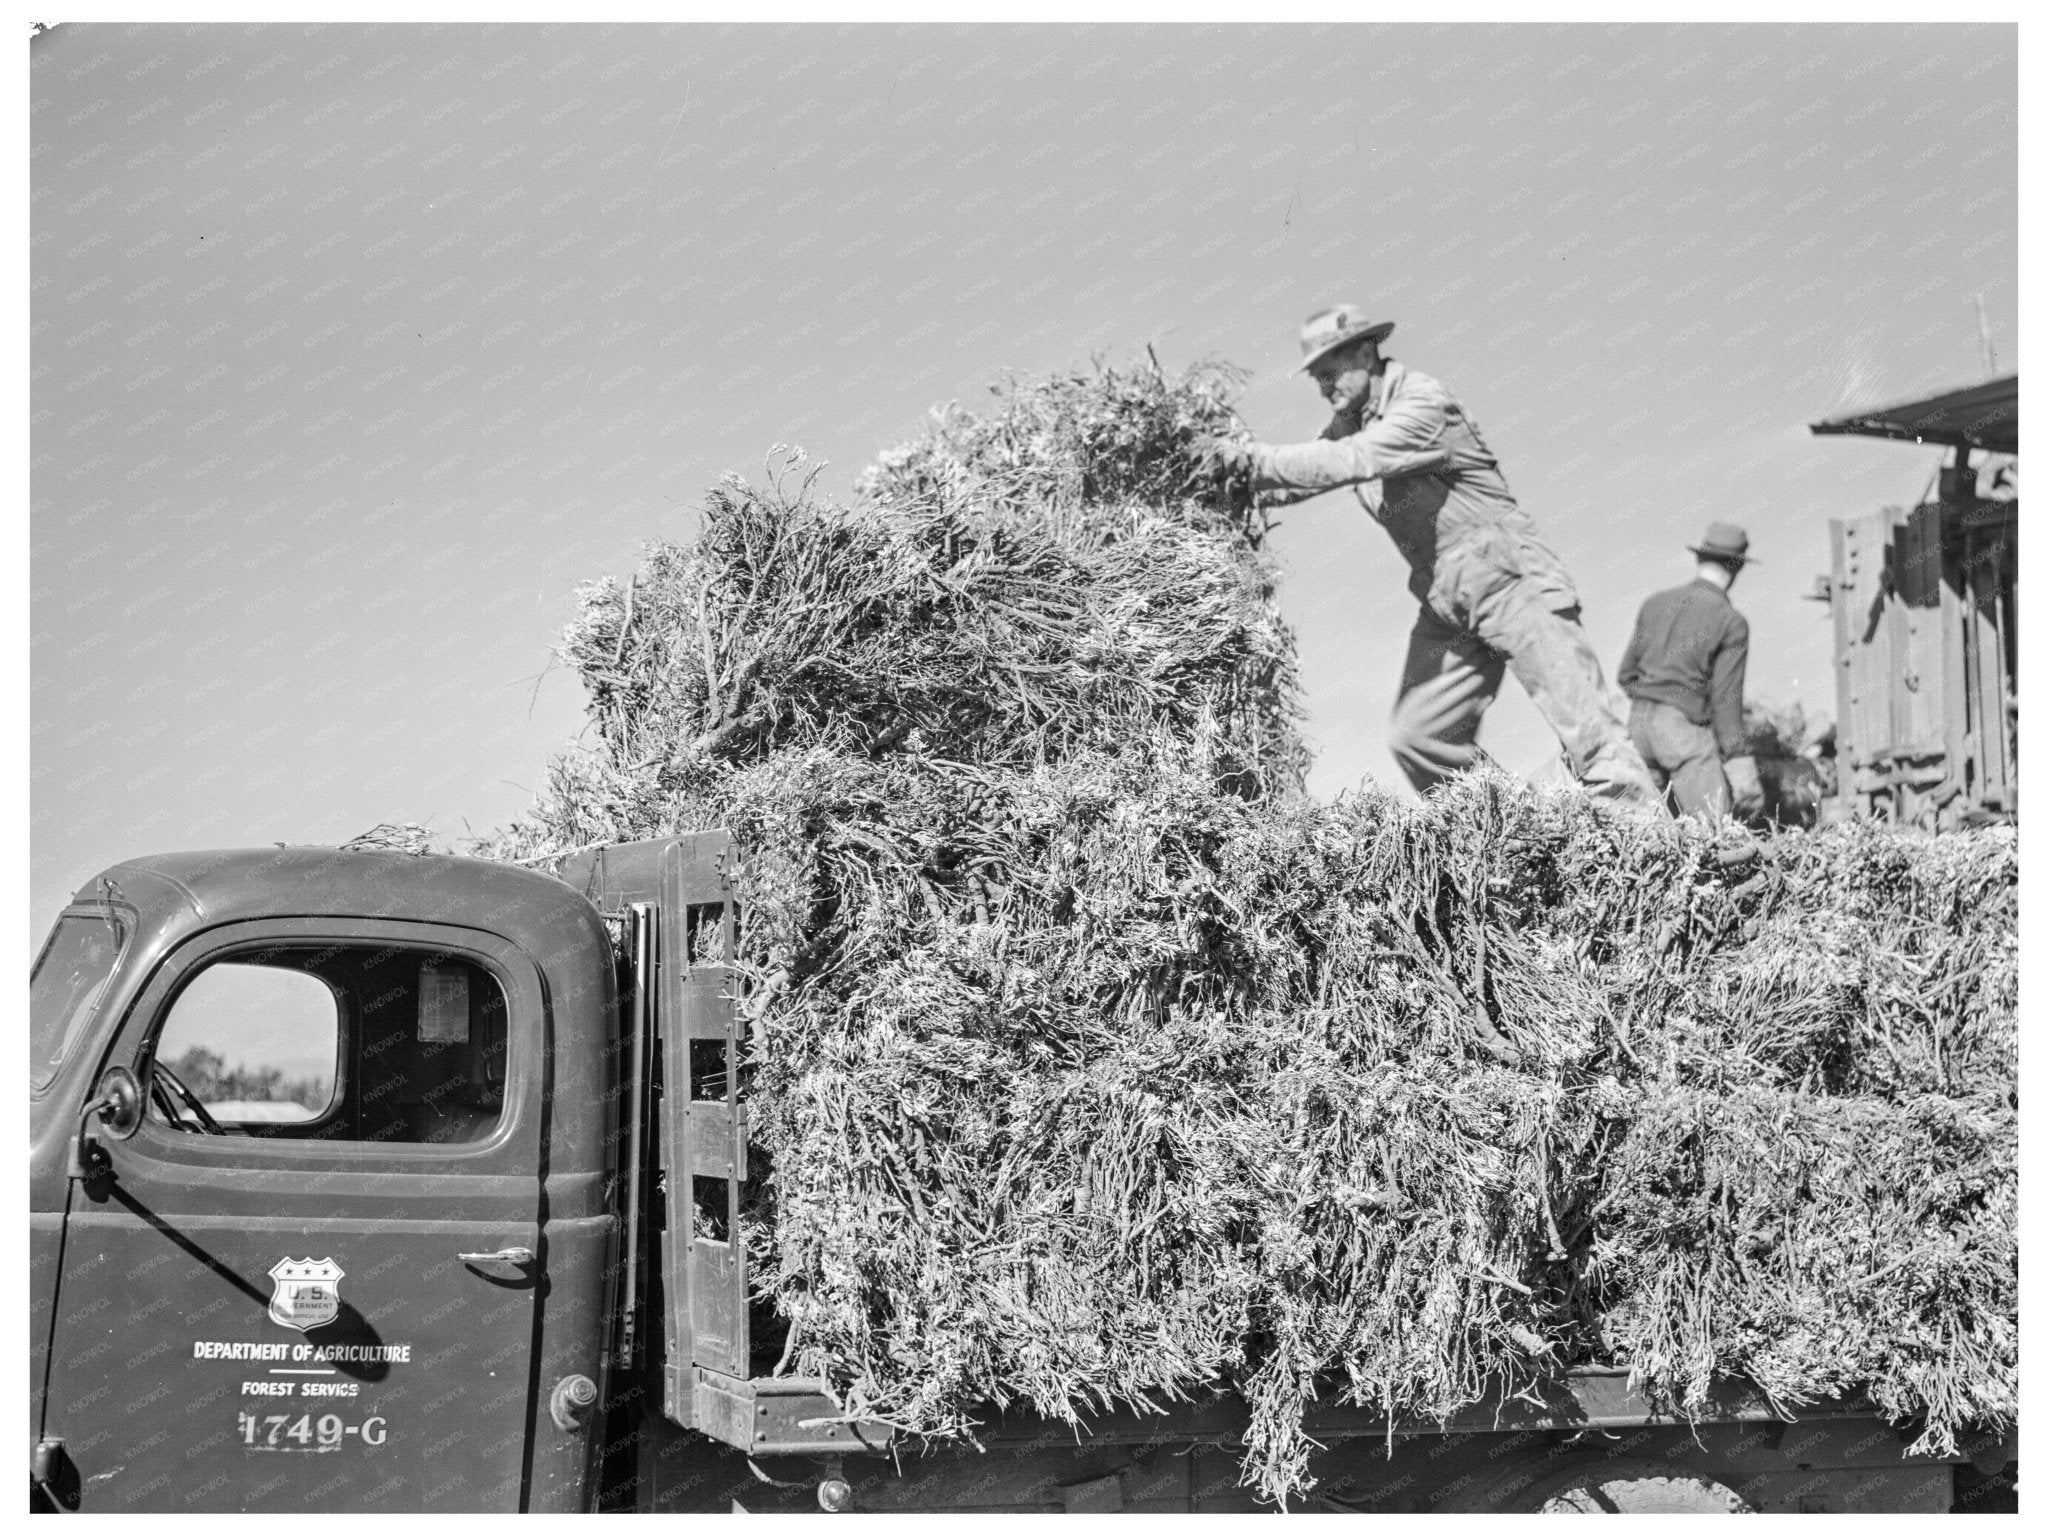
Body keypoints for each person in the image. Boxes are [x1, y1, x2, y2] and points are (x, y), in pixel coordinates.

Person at [1195, 304, 1660, 809]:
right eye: (1317, 379)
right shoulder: (1350, 423)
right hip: (1444, 597)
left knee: (1591, 734)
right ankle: (1509, 826)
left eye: (1330, 373)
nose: (1324, 388)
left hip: (1509, 577)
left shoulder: (1422, 403)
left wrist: (1243, 461)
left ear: (1366, 353)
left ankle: (1650, 843)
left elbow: (1350, 460)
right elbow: (1297, 478)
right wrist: (1210, 480)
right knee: (1419, 738)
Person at [1615, 523, 1762, 820]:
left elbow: (1626, 674)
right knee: (1713, 831)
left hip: (1637, 728)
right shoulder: (1730, 621)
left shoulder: (1655, 604)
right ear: (1737, 567)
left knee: (1641, 832)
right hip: (1682, 733)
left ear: (1699, 558)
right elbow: (1725, 702)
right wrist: (1740, 763)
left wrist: (1654, 701)